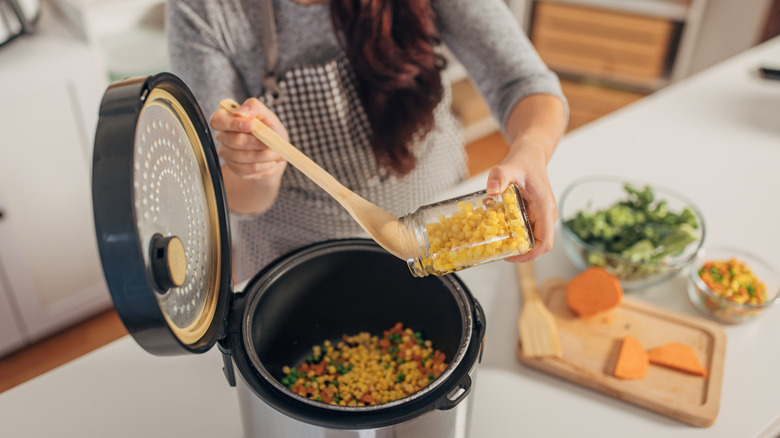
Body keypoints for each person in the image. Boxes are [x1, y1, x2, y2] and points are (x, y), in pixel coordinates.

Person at [167, 0, 568, 282]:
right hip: (297, 255)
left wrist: (530, 149)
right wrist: (260, 166)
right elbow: (236, 195)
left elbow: (523, 81)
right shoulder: (204, 9)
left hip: (440, 231)